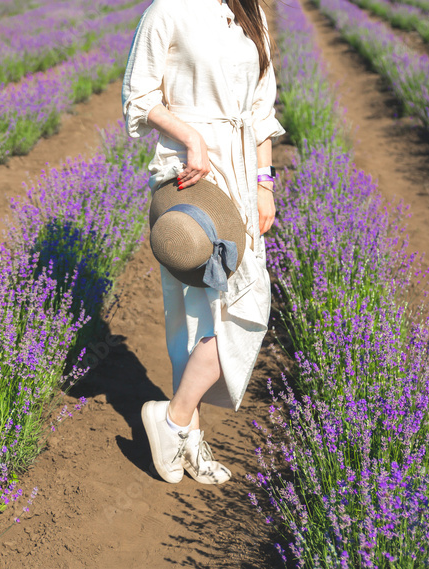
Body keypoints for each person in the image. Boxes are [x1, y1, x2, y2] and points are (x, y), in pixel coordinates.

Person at [121, 0, 284, 484]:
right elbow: (138, 96)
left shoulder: (250, 10)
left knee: (246, 303)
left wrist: (264, 182)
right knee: (194, 314)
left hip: (238, 169)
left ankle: (173, 422)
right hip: (191, 175)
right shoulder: (166, 10)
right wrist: (188, 134)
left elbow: (261, 107)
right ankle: (187, 435)